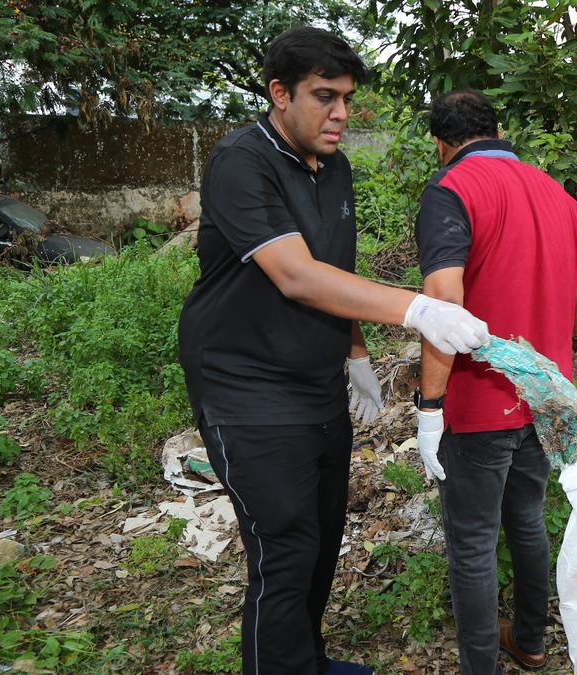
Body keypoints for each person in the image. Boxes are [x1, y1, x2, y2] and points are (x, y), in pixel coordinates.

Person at [177, 27, 488, 675]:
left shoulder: (337, 167)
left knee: (320, 538)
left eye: (347, 97)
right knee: (284, 547)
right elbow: (294, 273)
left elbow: (334, 270)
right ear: (279, 93)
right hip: (247, 387)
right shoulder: (241, 161)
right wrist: (418, 307)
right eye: (325, 96)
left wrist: (355, 356)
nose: (341, 113)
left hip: (316, 382)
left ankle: (307, 659)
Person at [412, 89, 577, 673]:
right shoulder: (561, 198)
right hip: (545, 397)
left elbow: (442, 303)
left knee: (471, 543)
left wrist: (430, 405)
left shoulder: (451, 191)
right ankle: (532, 641)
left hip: (478, 399)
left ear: (442, 144)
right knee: (526, 522)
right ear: (496, 129)